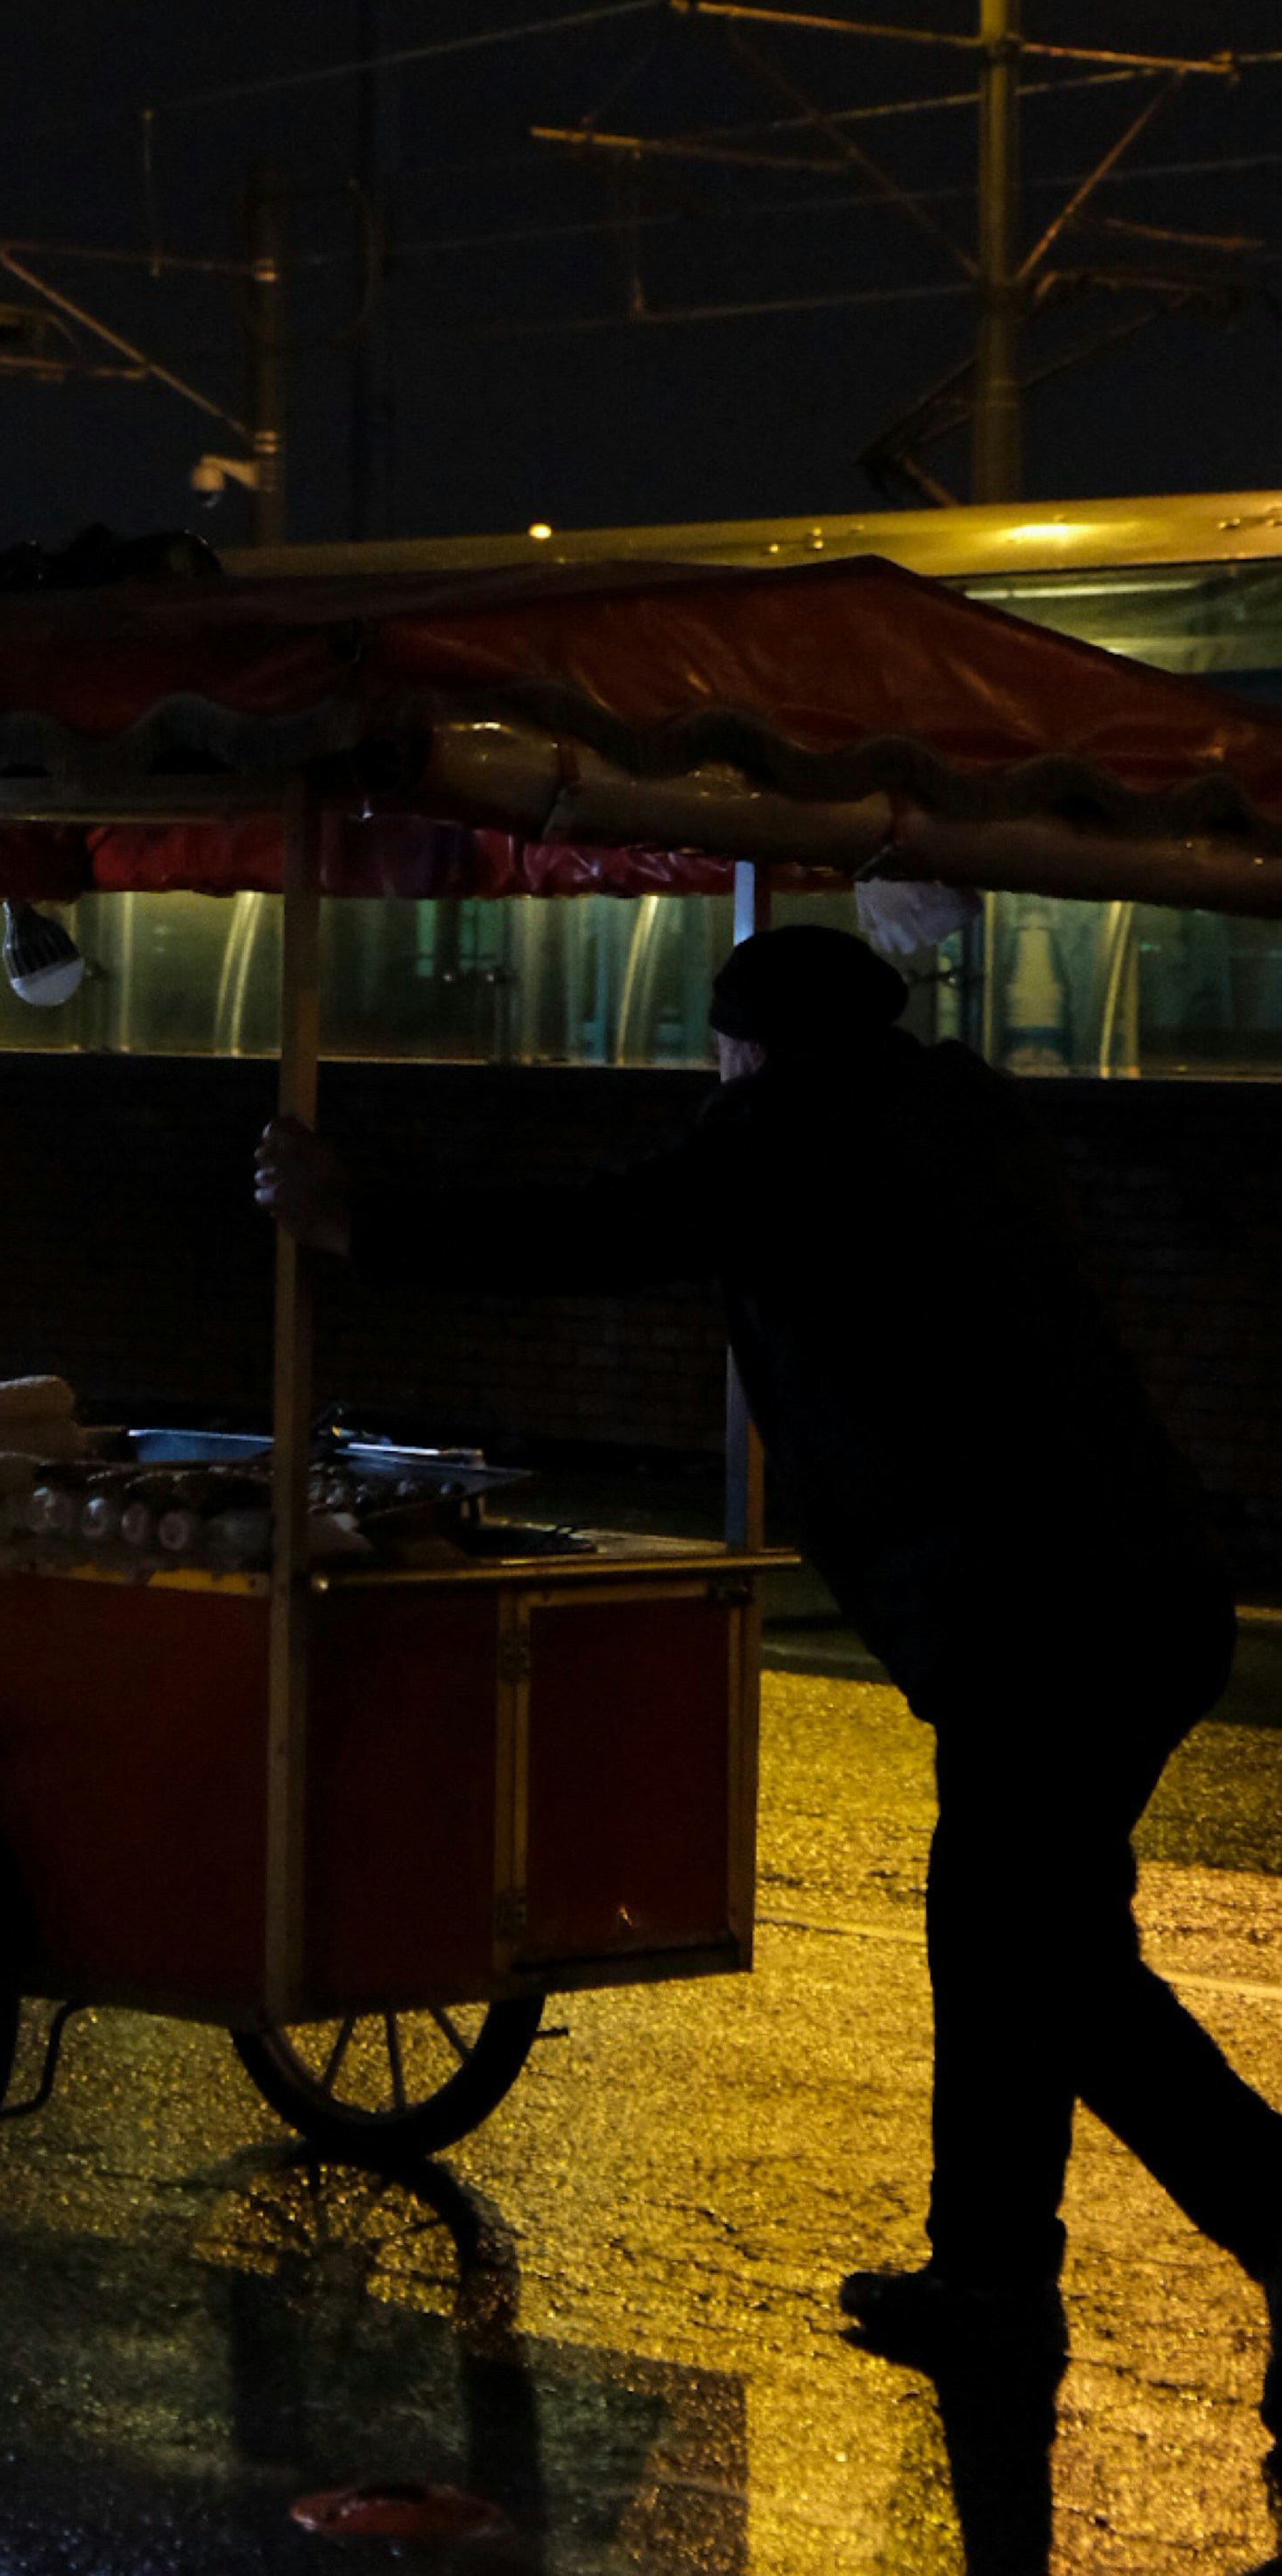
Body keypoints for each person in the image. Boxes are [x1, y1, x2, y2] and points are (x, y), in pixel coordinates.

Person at [255, 920, 1282, 2434]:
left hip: (1033, 1620)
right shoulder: (952, 1111)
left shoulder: (801, 1131)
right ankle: (990, 2279)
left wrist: (358, 1221)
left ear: (749, 1045)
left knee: (1049, 1967)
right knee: (1012, 1944)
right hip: (1131, 1593)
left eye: (722, 1052)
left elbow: (601, 1232)